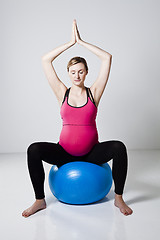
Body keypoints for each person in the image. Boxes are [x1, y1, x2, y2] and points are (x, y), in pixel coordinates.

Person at [22, 19, 133, 218]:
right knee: (34, 149)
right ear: (68, 73)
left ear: (86, 72)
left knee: (119, 147)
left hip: (91, 154)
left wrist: (82, 42)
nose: (77, 75)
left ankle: (118, 197)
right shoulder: (61, 92)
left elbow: (107, 58)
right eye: (73, 72)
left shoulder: (94, 92)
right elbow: (46, 60)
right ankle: (39, 200)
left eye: (81, 71)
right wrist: (69, 43)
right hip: (64, 153)